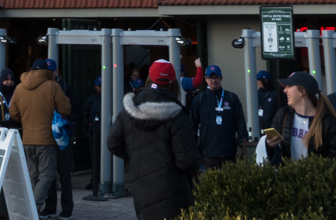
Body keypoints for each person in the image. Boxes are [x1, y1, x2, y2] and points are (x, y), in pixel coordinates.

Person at [107, 60, 201, 220]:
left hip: (142, 189)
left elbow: (113, 143)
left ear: (149, 78)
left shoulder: (129, 109)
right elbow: (188, 161)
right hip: (173, 190)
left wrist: (138, 158)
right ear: (173, 82)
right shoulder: (176, 114)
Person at [9, 57, 73, 216]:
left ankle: (28, 207)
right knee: (48, 175)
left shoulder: (19, 88)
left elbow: (13, 113)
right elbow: (65, 109)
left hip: (26, 139)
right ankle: (32, 209)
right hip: (45, 139)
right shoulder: (53, 86)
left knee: (33, 176)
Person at [265, 70, 336, 163]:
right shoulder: (283, 115)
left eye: (289, 86)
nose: (285, 90)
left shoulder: (328, 122)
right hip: (286, 177)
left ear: (302, 91)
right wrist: (269, 145)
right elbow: (274, 156)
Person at [190, 64, 247, 171]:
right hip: (207, 154)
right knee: (208, 186)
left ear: (221, 78)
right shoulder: (199, 100)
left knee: (229, 186)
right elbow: (191, 126)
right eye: (210, 78)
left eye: (216, 77)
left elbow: (240, 123)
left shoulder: (231, 98)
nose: (213, 81)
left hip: (229, 153)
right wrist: (193, 149)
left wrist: (241, 145)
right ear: (205, 79)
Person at [43, 63, 78, 220]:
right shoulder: (42, 87)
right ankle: (50, 207)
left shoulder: (65, 86)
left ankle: (67, 209)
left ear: (56, 71)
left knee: (64, 174)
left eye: (52, 70)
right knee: (49, 173)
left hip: (62, 135)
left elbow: (75, 108)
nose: (50, 73)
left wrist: (68, 123)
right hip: (46, 135)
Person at [84, 76, 104, 192]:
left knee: (103, 156)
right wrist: (89, 124)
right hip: (93, 131)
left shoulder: (107, 98)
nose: (101, 88)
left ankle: (103, 180)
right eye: (99, 86)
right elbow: (86, 114)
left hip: (102, 130)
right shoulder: (91, 100)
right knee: (94, 157)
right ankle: (94, 180)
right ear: (95, 87)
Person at [254, 72, 281, 140]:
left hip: (271, 129)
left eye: (258, 80)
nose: (257, 82)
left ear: (265, 80)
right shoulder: (257, 94)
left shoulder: (275, 94)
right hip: (259, 129)